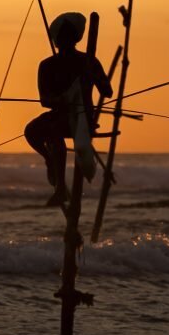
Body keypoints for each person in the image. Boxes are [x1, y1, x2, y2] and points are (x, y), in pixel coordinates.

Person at [24, 12, 112, 207]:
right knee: (30, 131)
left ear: (74, 39)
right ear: (56, 41)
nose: (63, 42)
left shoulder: (88, 61)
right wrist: (61, 99)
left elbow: (107, 91)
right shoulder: (47, 65)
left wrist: (92, 75)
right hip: (58, 114)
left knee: (54, 131)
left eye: (67, 38)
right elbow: (44, 100)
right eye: (60, 39)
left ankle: (61, 189)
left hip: (82, 118)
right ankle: (50, 161)